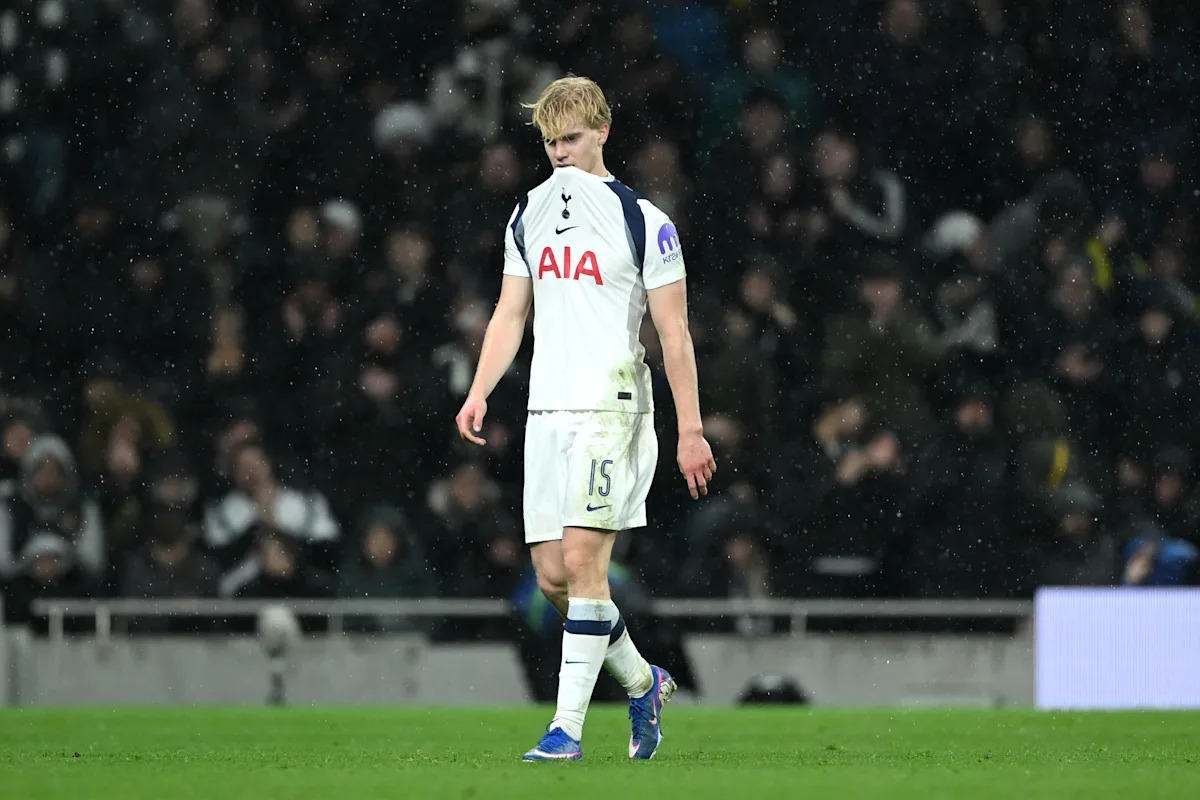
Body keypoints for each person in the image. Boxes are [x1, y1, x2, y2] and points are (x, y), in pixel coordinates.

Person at [455, 76, 716, 762]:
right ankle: (643, 682)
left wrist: (690, 428)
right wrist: (480, 389)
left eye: (571, 138)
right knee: (552, 578)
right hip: (546, 409)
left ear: (602, 132)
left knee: (582, 562)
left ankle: (565, 730)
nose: (560, 152)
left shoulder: (645, 220)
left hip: (613, 406)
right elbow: (511, 311)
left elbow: (675, 333)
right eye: (549, 142)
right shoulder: (528, 212)